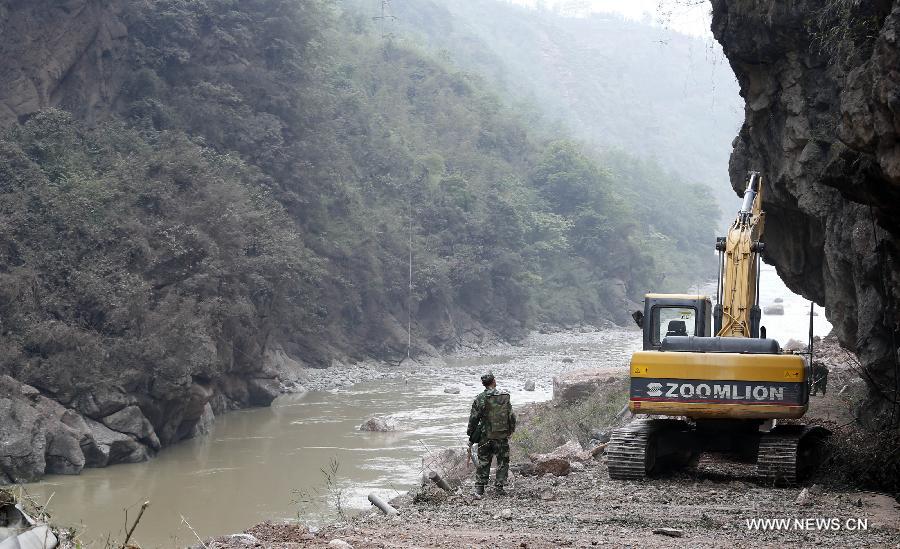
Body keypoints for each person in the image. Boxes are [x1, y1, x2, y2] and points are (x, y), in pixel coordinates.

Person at [466, 373, 516, 497]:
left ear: (484, 384)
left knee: (484, 461)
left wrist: (470, 435)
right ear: (494, 381)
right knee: (503, 461)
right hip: (501, 436)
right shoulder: (504, 397)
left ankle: (479, 489)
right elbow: (511, 417)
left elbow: (473, 419)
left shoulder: (479, 398)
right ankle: (499, 488)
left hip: (485, 436)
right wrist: (510, 431)